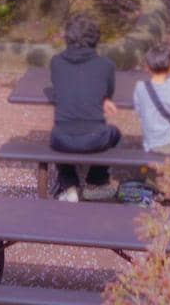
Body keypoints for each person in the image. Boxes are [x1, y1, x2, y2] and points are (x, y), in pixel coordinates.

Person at [47, 13, 121, 200]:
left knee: (57, 132)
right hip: (96, 137)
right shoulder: (106, 65)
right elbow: (108, 91)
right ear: (95, 39)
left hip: (62, 139)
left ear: (67, 38)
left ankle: (69, 184)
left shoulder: (56, 62)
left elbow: (58, 88)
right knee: (115, 133)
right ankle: (96, 182)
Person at [133, 45, 170, 154]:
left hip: (149, 141)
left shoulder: (140, 87)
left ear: (147, 67)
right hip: (168, 143)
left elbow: (139, 111)